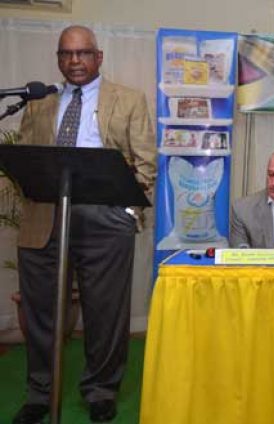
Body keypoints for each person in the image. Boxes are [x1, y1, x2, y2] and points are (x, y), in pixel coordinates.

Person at [14, 25, 156, 424]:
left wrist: (127, 212)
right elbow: (25, 155)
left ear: (98, 57)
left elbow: (146, 161)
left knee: (105, 311)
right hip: (45, 216)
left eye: (83, 53)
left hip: (105, 217)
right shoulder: (39, 103)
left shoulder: (128, 100)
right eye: (66, 54)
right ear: (58, 59)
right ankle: (40, 394)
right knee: (41, 312)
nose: (74, 61)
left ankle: (100, 390)